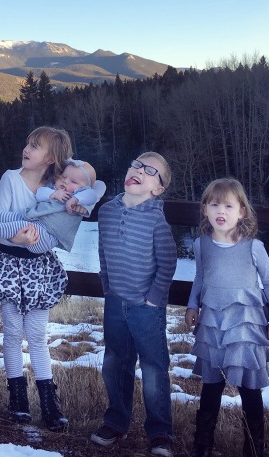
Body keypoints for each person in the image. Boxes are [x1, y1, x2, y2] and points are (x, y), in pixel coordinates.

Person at [0, 126, 73, 431]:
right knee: (12, 332)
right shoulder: (10, 178)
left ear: (51, 158)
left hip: (39, 270)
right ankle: (18, 399)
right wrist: (19, 239)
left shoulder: (58, 187)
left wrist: (38, 240)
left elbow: (60, 227)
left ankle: (49, 402)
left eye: (35, 146)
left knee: (37, 335)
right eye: (28, 143)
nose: (27, 149)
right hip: (8, 264)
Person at [184, 177, 269, 457]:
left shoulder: (253, 247)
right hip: (212, 325)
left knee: (249, 390)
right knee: (211, 387)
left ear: (242, 211)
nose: (221, 211)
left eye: (229, 205)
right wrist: (193, 305)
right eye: (214, 204)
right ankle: (202, 446)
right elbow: (200, 278)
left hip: (246, 325)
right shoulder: (201, 244)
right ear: (205, 209)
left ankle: (254, 449)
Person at [91, 152, 177, 457]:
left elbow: (167, 263)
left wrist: (153, 300)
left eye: (151, 171)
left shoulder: (155, 217)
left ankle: (160, 432)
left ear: (158, 189)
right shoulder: (107, 212)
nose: (139, 170)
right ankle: (116, 422)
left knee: (154, 368)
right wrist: (107, 287)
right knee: (115, 362)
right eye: (137, 164)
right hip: (116, 301)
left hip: (146, 307)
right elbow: (103, 252)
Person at [0, 158, 106, 253]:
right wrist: (54, 195)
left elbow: (95, 191)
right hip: (34, 220)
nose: (65, 181)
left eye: (73, 181)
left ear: (85, 187)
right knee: (12, 217)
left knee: (21, 226)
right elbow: (40, 194)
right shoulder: (55, 190)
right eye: (63, 177)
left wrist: (76, 199)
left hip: (47, 236)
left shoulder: (83, 197)